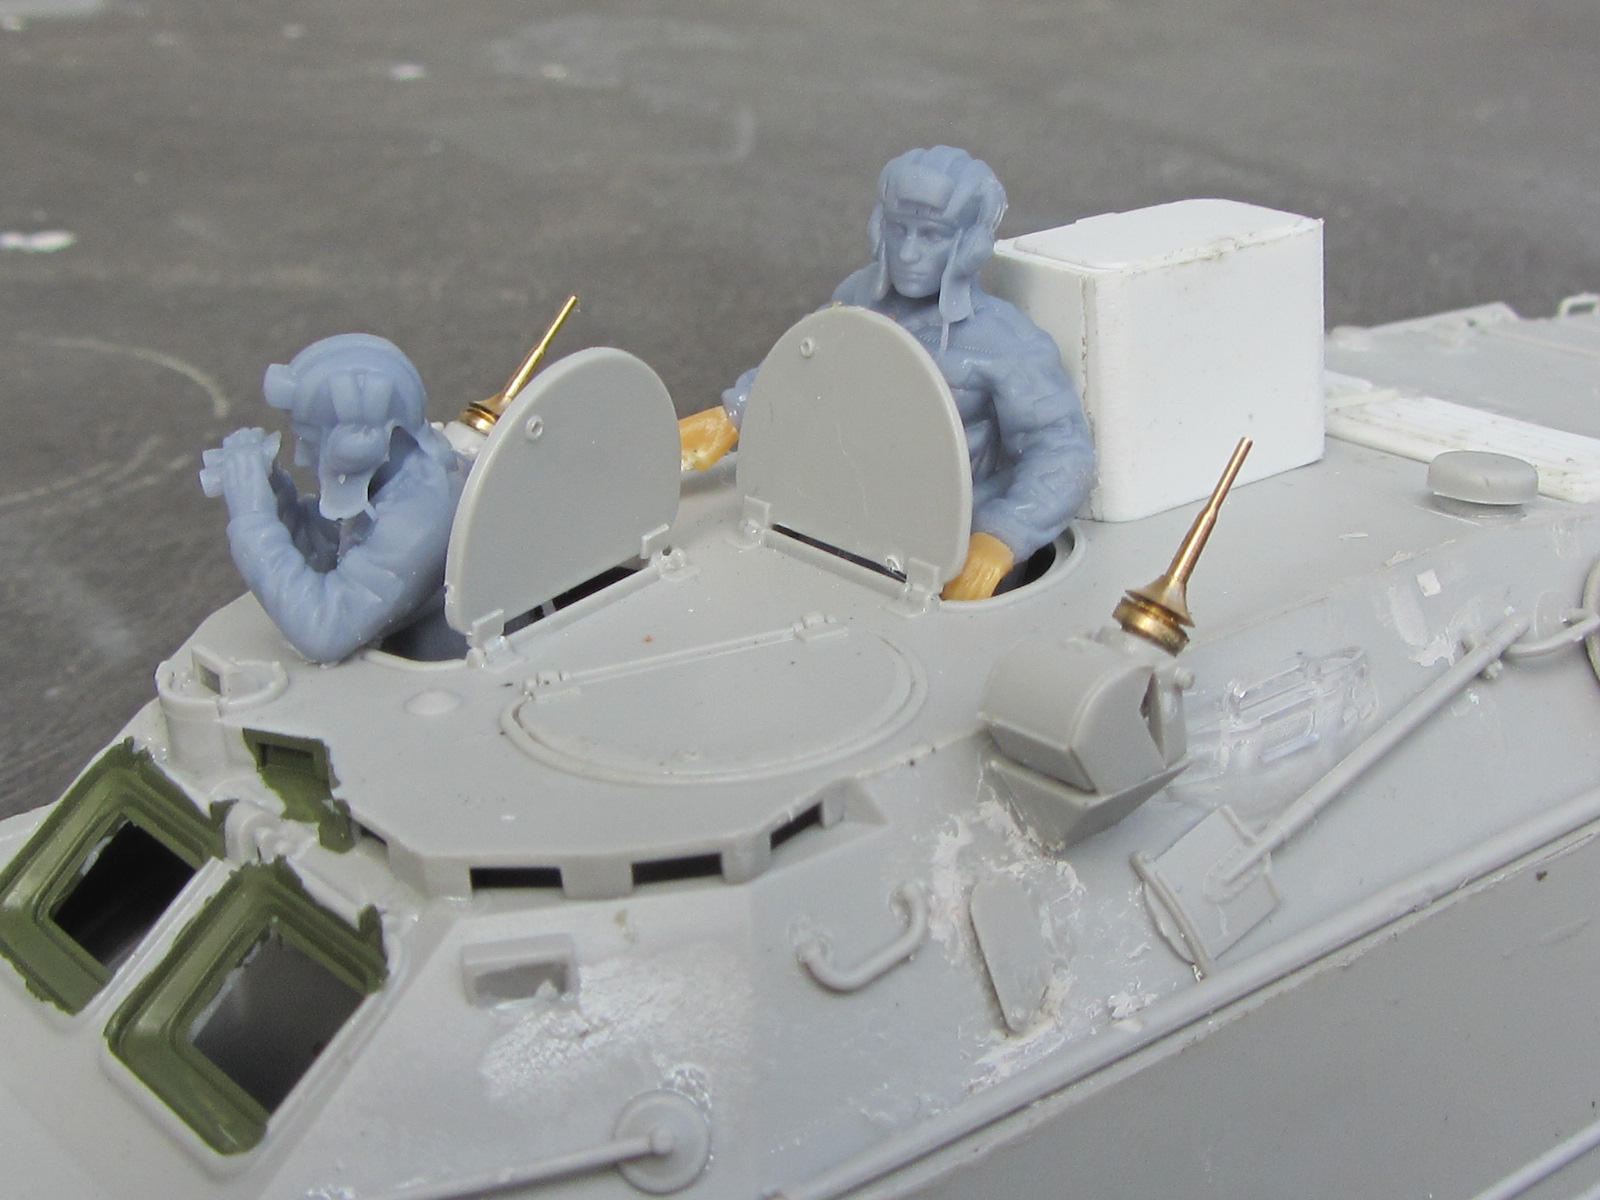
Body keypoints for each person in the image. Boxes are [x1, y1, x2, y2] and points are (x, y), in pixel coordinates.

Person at [680, 146, 1094, 600]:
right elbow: (808, 361)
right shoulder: (860, 296)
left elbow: (1062, 451)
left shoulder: (1006, 342)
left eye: (932, 235)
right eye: (900, 229)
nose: (909, 252)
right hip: (835, 521)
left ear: (967, 244)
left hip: (937, 555)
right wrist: (737, 411)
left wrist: (1002, 537)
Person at [201, 334, 469, 663]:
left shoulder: (422, 514)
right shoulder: (396, 482)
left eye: (309, 439)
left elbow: (324, 630)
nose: (301, 456)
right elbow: (327, 552)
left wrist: (252, 521)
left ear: (356, 443)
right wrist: (276, 498)